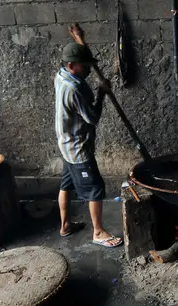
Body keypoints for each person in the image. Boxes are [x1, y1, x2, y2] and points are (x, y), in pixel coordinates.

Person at [54, 42, 123, 248]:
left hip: (65, 143)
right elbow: (92, 118)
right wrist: (102, 93)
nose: (88, 69)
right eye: (84, 66)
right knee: (95, 188)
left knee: (66, 184)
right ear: (71, 64)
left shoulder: (60, 75)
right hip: (77, 148)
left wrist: (78, 39)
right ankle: (98, 232)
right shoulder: (73, 88)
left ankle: (65, 226)